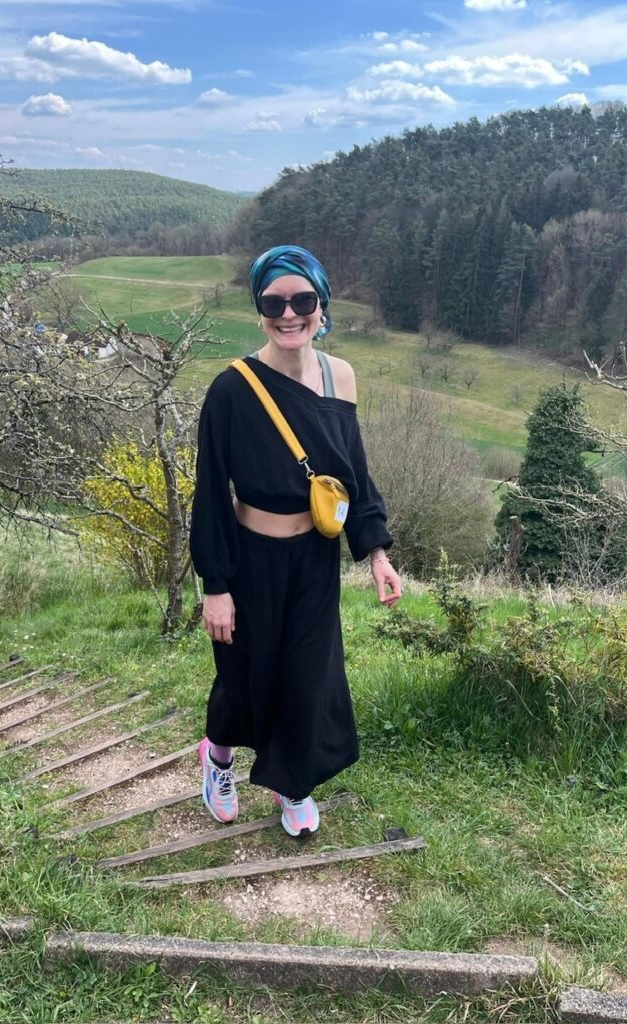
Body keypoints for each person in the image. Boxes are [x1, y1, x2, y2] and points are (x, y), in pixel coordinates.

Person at [189, 244, 402, 838]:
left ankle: (293, 784)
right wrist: (217, 586)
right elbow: (210, 492)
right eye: (274, 302)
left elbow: (352, 473)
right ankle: (219, 758)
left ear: (321, 305)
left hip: (315, 558)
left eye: (302, 300)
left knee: (308, 673)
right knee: (243, 673)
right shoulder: (231, 389)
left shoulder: (342, 377)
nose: (289, 314)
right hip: (249, 556)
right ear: (259, 309)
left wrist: (377, 552)